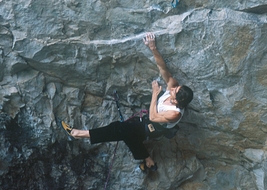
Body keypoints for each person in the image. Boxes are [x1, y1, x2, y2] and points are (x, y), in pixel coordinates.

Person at [61, 32, 193, 171]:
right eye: (177, 87)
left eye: (175, 91)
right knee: (124, 131)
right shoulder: (173, 87)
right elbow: (163, 68)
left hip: (153, 129)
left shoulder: (175, 114)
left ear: (178, 101)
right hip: (146, 121)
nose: (173, 88)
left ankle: (78, 134)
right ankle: (147, 160)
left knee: (121, 129)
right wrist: (153, 48)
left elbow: (154, 117)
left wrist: (155, 94)